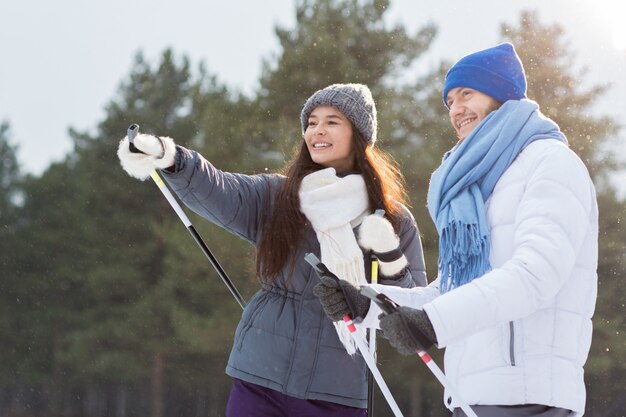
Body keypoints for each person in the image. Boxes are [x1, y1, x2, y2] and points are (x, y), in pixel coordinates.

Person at [314, 44, 598, 417]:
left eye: (467, 93)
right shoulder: (478, 188)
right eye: (449, 100)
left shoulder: (550, 163)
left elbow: (535, 276)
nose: (456, 109)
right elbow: (452, 291)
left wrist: (435, 324)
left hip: (529, 398)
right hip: (469, 396)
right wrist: (367, 302)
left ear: (502, 94)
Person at [117, 83, 427, 417]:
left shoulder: (391, 219)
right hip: (260, 377)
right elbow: (222, 190)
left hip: (336, 391)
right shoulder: (279, 197)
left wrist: (390, 257)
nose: (317, 130)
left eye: (332, 121)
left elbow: (413, 311)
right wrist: (172, 157)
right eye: (311, 123)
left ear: (359, 134)